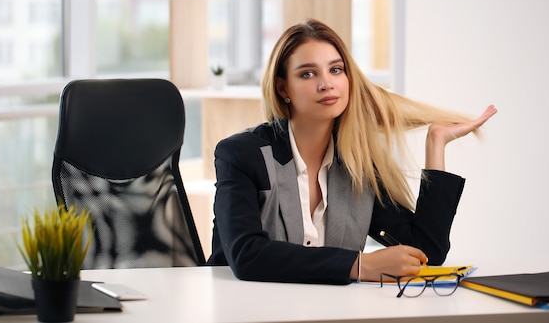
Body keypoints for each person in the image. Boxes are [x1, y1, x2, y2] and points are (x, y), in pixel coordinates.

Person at [207, 19, 497, 285]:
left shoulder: (355, 165)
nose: (326, 83)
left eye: (336, 70)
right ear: (284, 88)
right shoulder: (241, 154)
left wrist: (436, 144)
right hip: (246, 311)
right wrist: (359, 265)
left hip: (328, 314)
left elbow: (426, 254)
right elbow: (247, 255)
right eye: (308, 74)